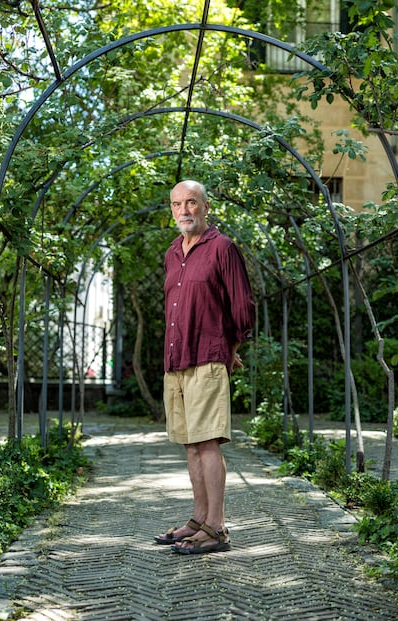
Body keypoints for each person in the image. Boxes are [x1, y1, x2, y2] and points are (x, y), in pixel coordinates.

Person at [154, 179, 255, 555]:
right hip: (175, 360)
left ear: (205, 207)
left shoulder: (223, 249)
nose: (184, 210)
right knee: (190, 445)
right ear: (172, 210)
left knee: (208, 444)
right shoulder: (171, 253)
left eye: (191, 202)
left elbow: (242, 307)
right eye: (177, 204)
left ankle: (217, 527)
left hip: (208, 359)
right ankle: (198, 520)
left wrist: (230, 347)